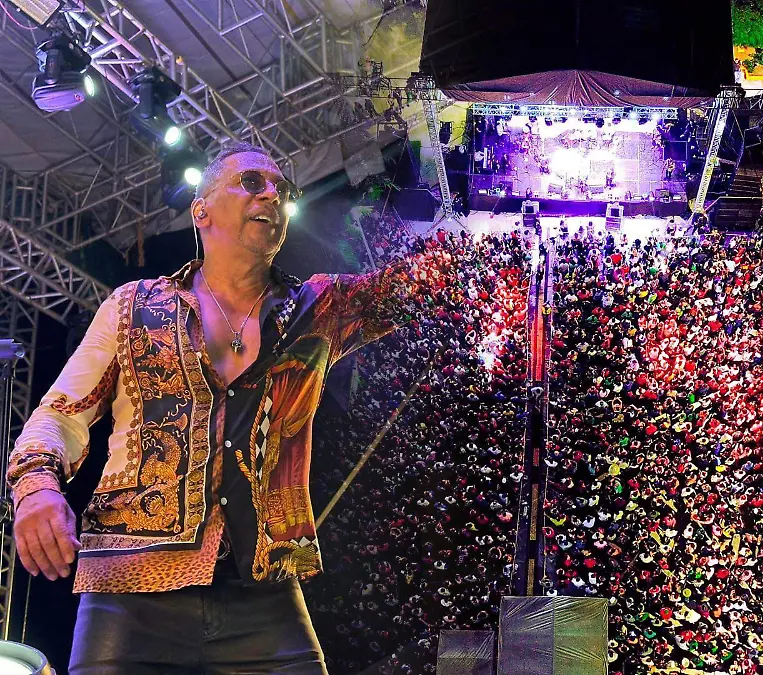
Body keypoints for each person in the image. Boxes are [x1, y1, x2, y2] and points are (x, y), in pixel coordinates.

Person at [7, 142, 457, 674]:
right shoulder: (133, 306)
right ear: (201, 210)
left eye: (282, 190)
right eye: (251, 182)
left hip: (264, 593)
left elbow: (418, 287)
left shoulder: (317, 309)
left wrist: (466, 200)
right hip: (129, 592)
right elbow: (61, 414)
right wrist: (36, 488)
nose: (272, 195)